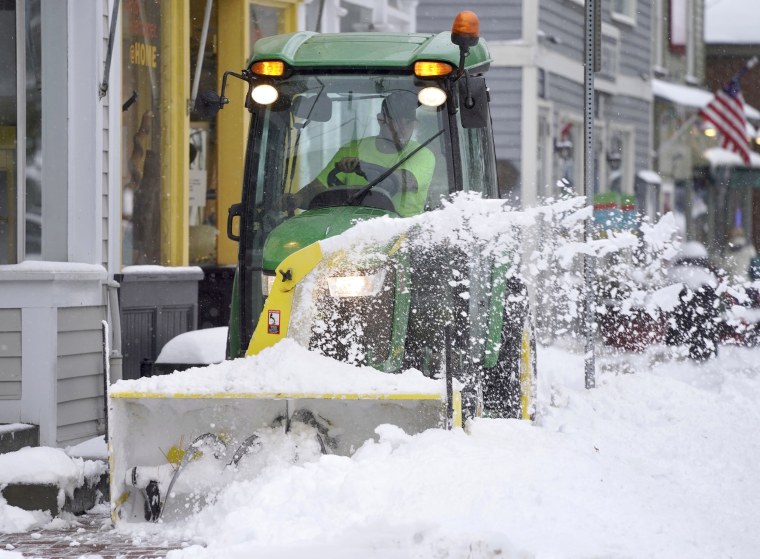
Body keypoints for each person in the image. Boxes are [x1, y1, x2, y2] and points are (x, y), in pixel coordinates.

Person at [288, 90, 435, 217]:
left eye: (408, 123)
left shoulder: (422, 154)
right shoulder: (354, 149)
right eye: (397, 122)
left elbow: (405, 180)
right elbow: (319, 187)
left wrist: (362, 168)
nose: (403, 129)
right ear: (381, 120)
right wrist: (296, 199)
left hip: (403, 235)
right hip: (351, 231)